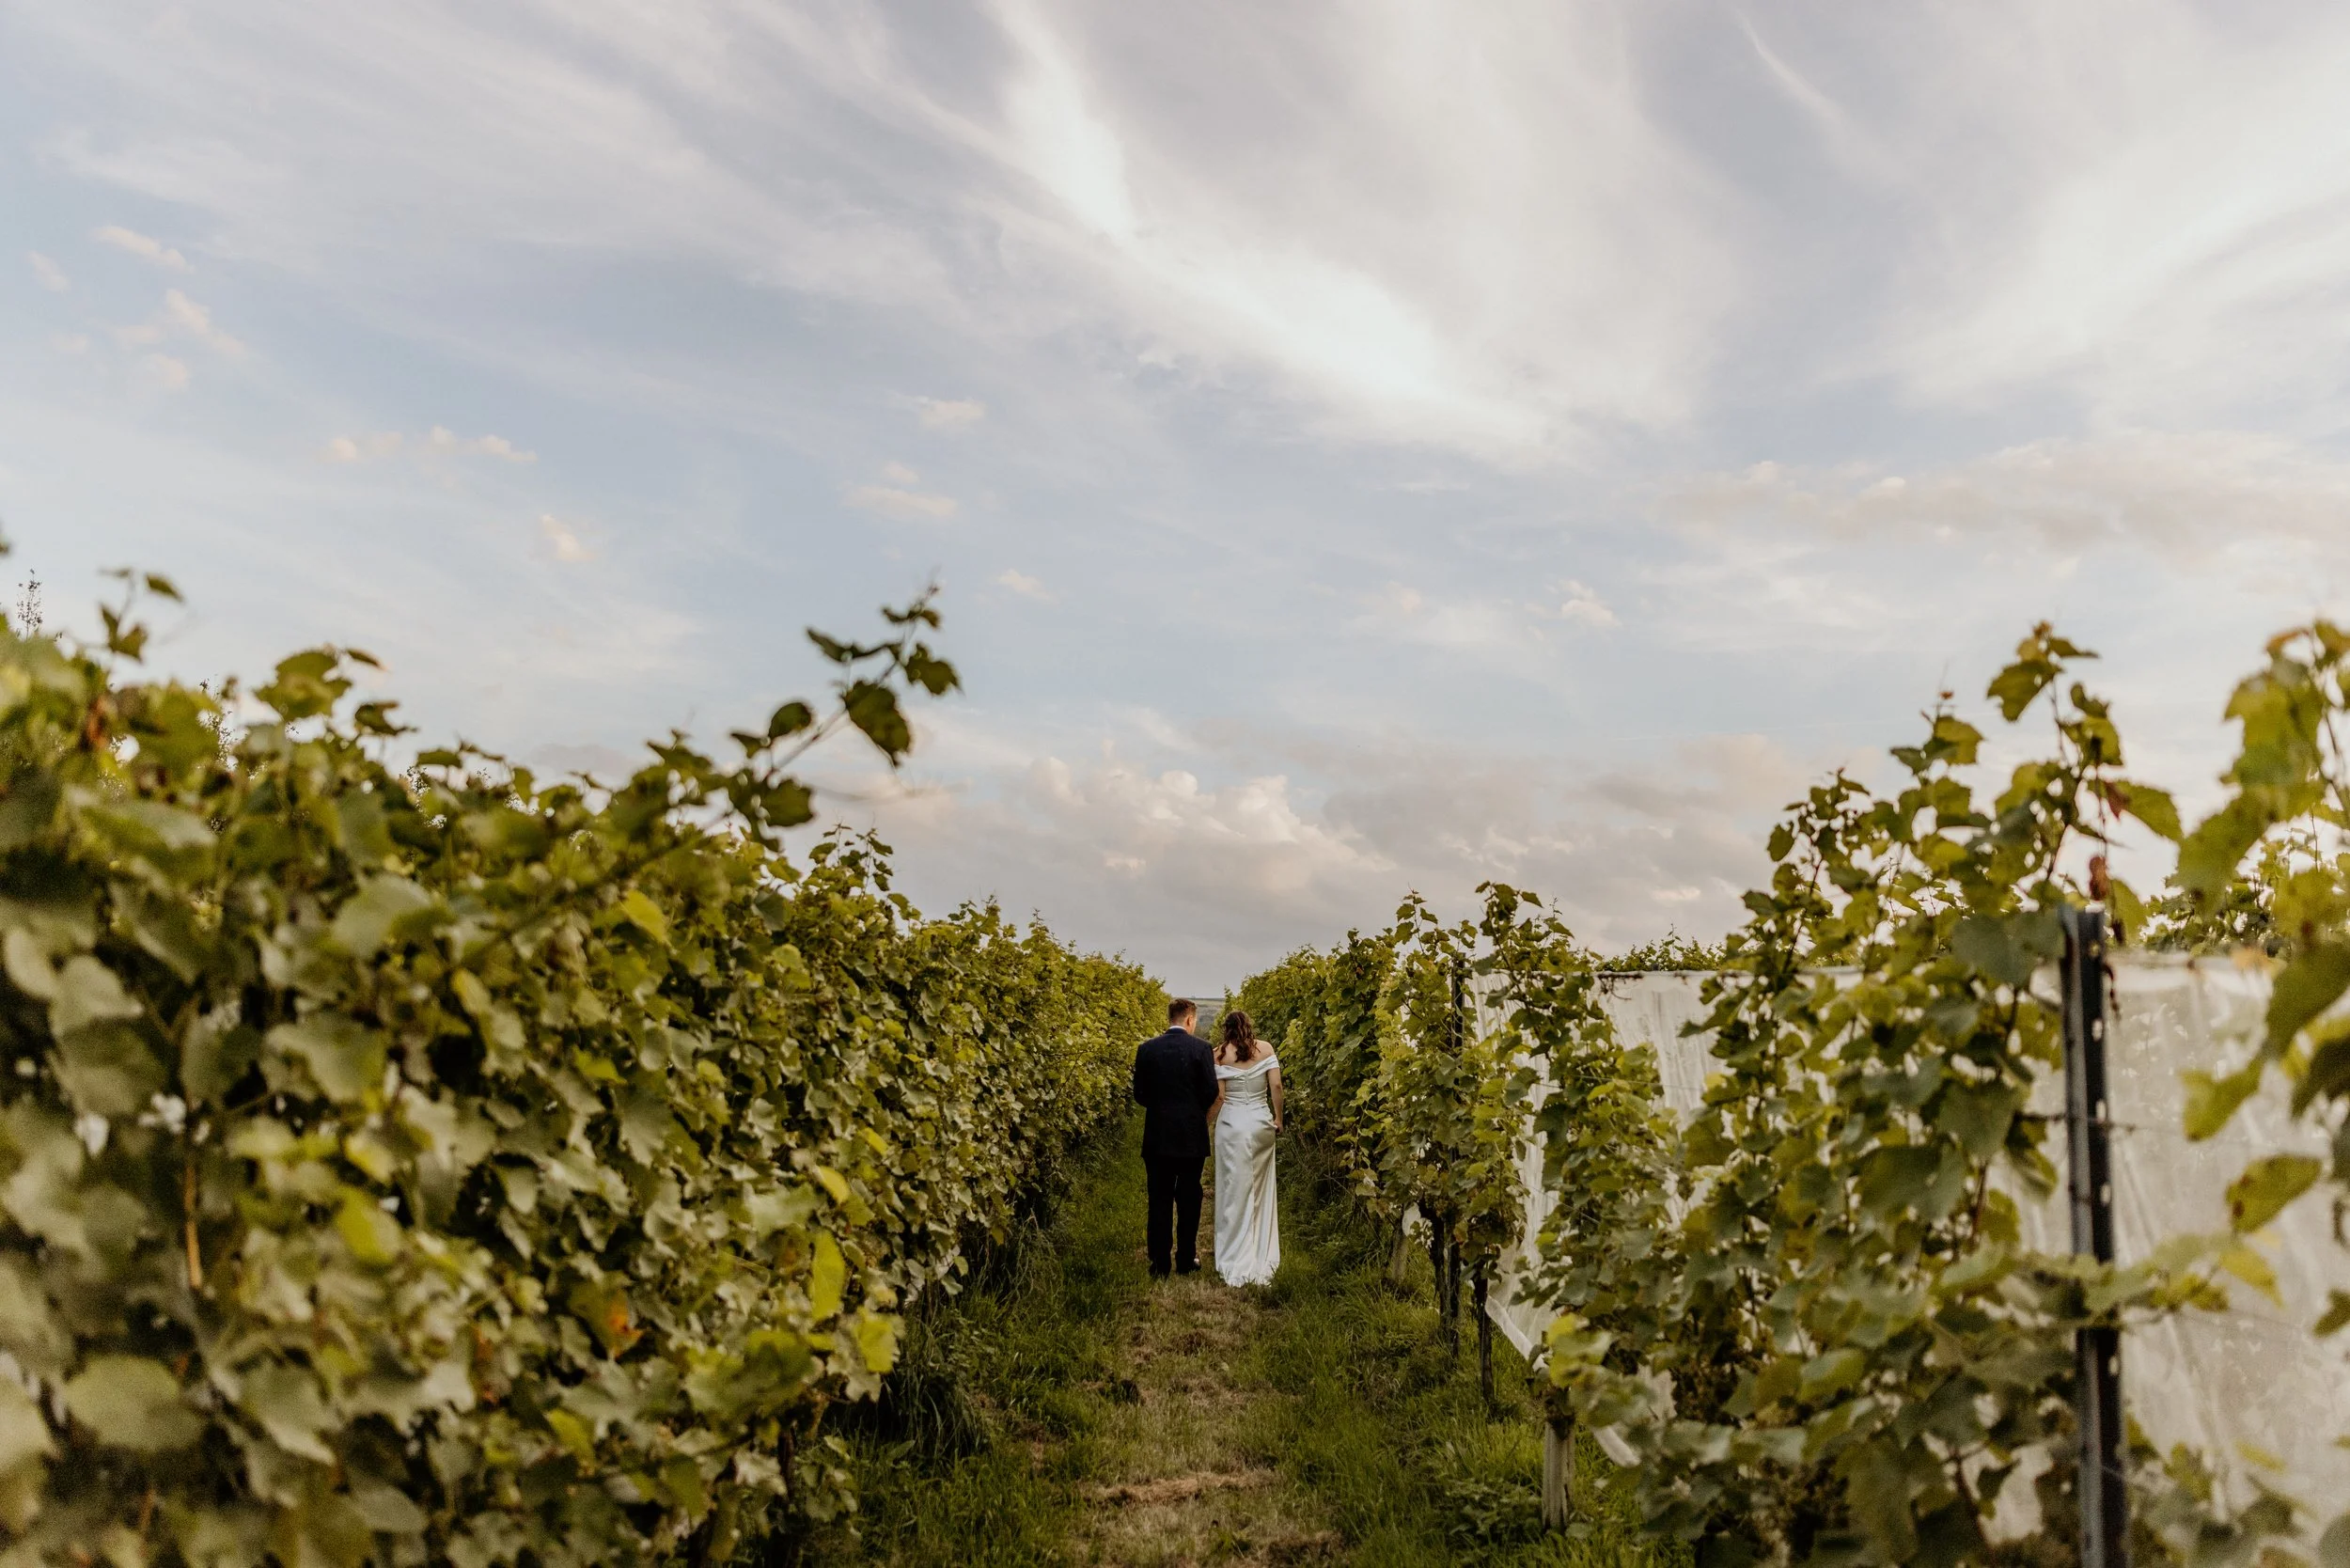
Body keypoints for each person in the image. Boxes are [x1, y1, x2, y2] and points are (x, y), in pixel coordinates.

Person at [1132, 997, 1219, 1278]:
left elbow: (1140, 1095)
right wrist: (1192, 1111)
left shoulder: (1147, 1049)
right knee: (1190, 1198)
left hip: (1157, 1135)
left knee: (1158, 1198)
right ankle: (1185, 1259)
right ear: (1191, 1020)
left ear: (1169, 1017)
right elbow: (1210, 1091)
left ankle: (1159, 1264)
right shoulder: (1202, 1049)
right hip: (1191, 1137)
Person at [1209, 1008, 1282, 1286]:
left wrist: (1205, 1124)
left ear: (1226, 1029)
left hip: (1232, 1126)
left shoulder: (1218, 1053)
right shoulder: (1265, 1049)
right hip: (1261, 1123)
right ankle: (1260, 1249)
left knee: (1232, 1189)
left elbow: (1220, 1096)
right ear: (1249, 1026)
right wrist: (1278, 1118)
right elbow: (1276, 1086)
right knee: (1261, 1191)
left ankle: (1233, 1251)